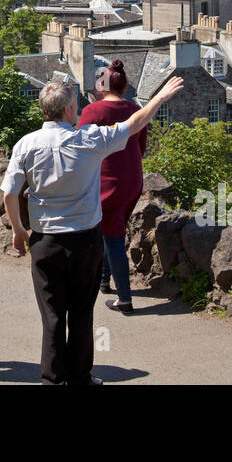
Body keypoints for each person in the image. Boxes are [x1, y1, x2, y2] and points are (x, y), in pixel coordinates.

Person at [2, 74, 185, 385]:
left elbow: (9, 193)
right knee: (81, 313)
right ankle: (80, 376)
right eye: (75, 104)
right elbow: (135, 123)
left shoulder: (26, 144)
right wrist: (160, 98)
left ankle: (52, 378)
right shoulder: (88, 140)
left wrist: (19, 231)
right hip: (85, 240)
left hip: (45, 240)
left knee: (52, 316)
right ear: (69, 110)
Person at [80, 60, 147, 314]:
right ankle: (104, 279)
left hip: (106, 181)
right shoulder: (135, 109)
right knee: (112, 229)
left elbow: (81, 149)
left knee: (113, 236)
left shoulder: (92, 112)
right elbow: (141, 148)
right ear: (125, 86)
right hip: (132, 181)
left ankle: (125, 298)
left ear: (101, 85)